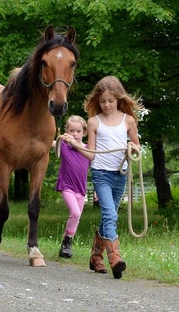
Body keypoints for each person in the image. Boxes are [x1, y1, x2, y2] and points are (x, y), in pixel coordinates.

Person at [65, 76, 142, 279]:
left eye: (110, 100)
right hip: (101, 174)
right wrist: (75, 145)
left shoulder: (128, 120)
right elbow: (92, 154)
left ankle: (95, 256)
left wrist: (132, 149)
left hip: (120, 174)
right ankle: (114, 257)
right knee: (110, 214)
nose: (106, 104)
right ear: (97, 101)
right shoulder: (93, 122)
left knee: (109, 215)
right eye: (102, 101)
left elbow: (137, 147)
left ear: (118, 99)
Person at [52, 116, 90, 259]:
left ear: (84, 132)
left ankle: (65, 245)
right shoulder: (63, 146)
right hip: (66, 186)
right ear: (66, 131)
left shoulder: (88, 149)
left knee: (76, 217)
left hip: (80, 189)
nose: (75, 134)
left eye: (78, 131)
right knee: (75, 213)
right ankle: (67, 243)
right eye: (71, 130)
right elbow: (47, 142)